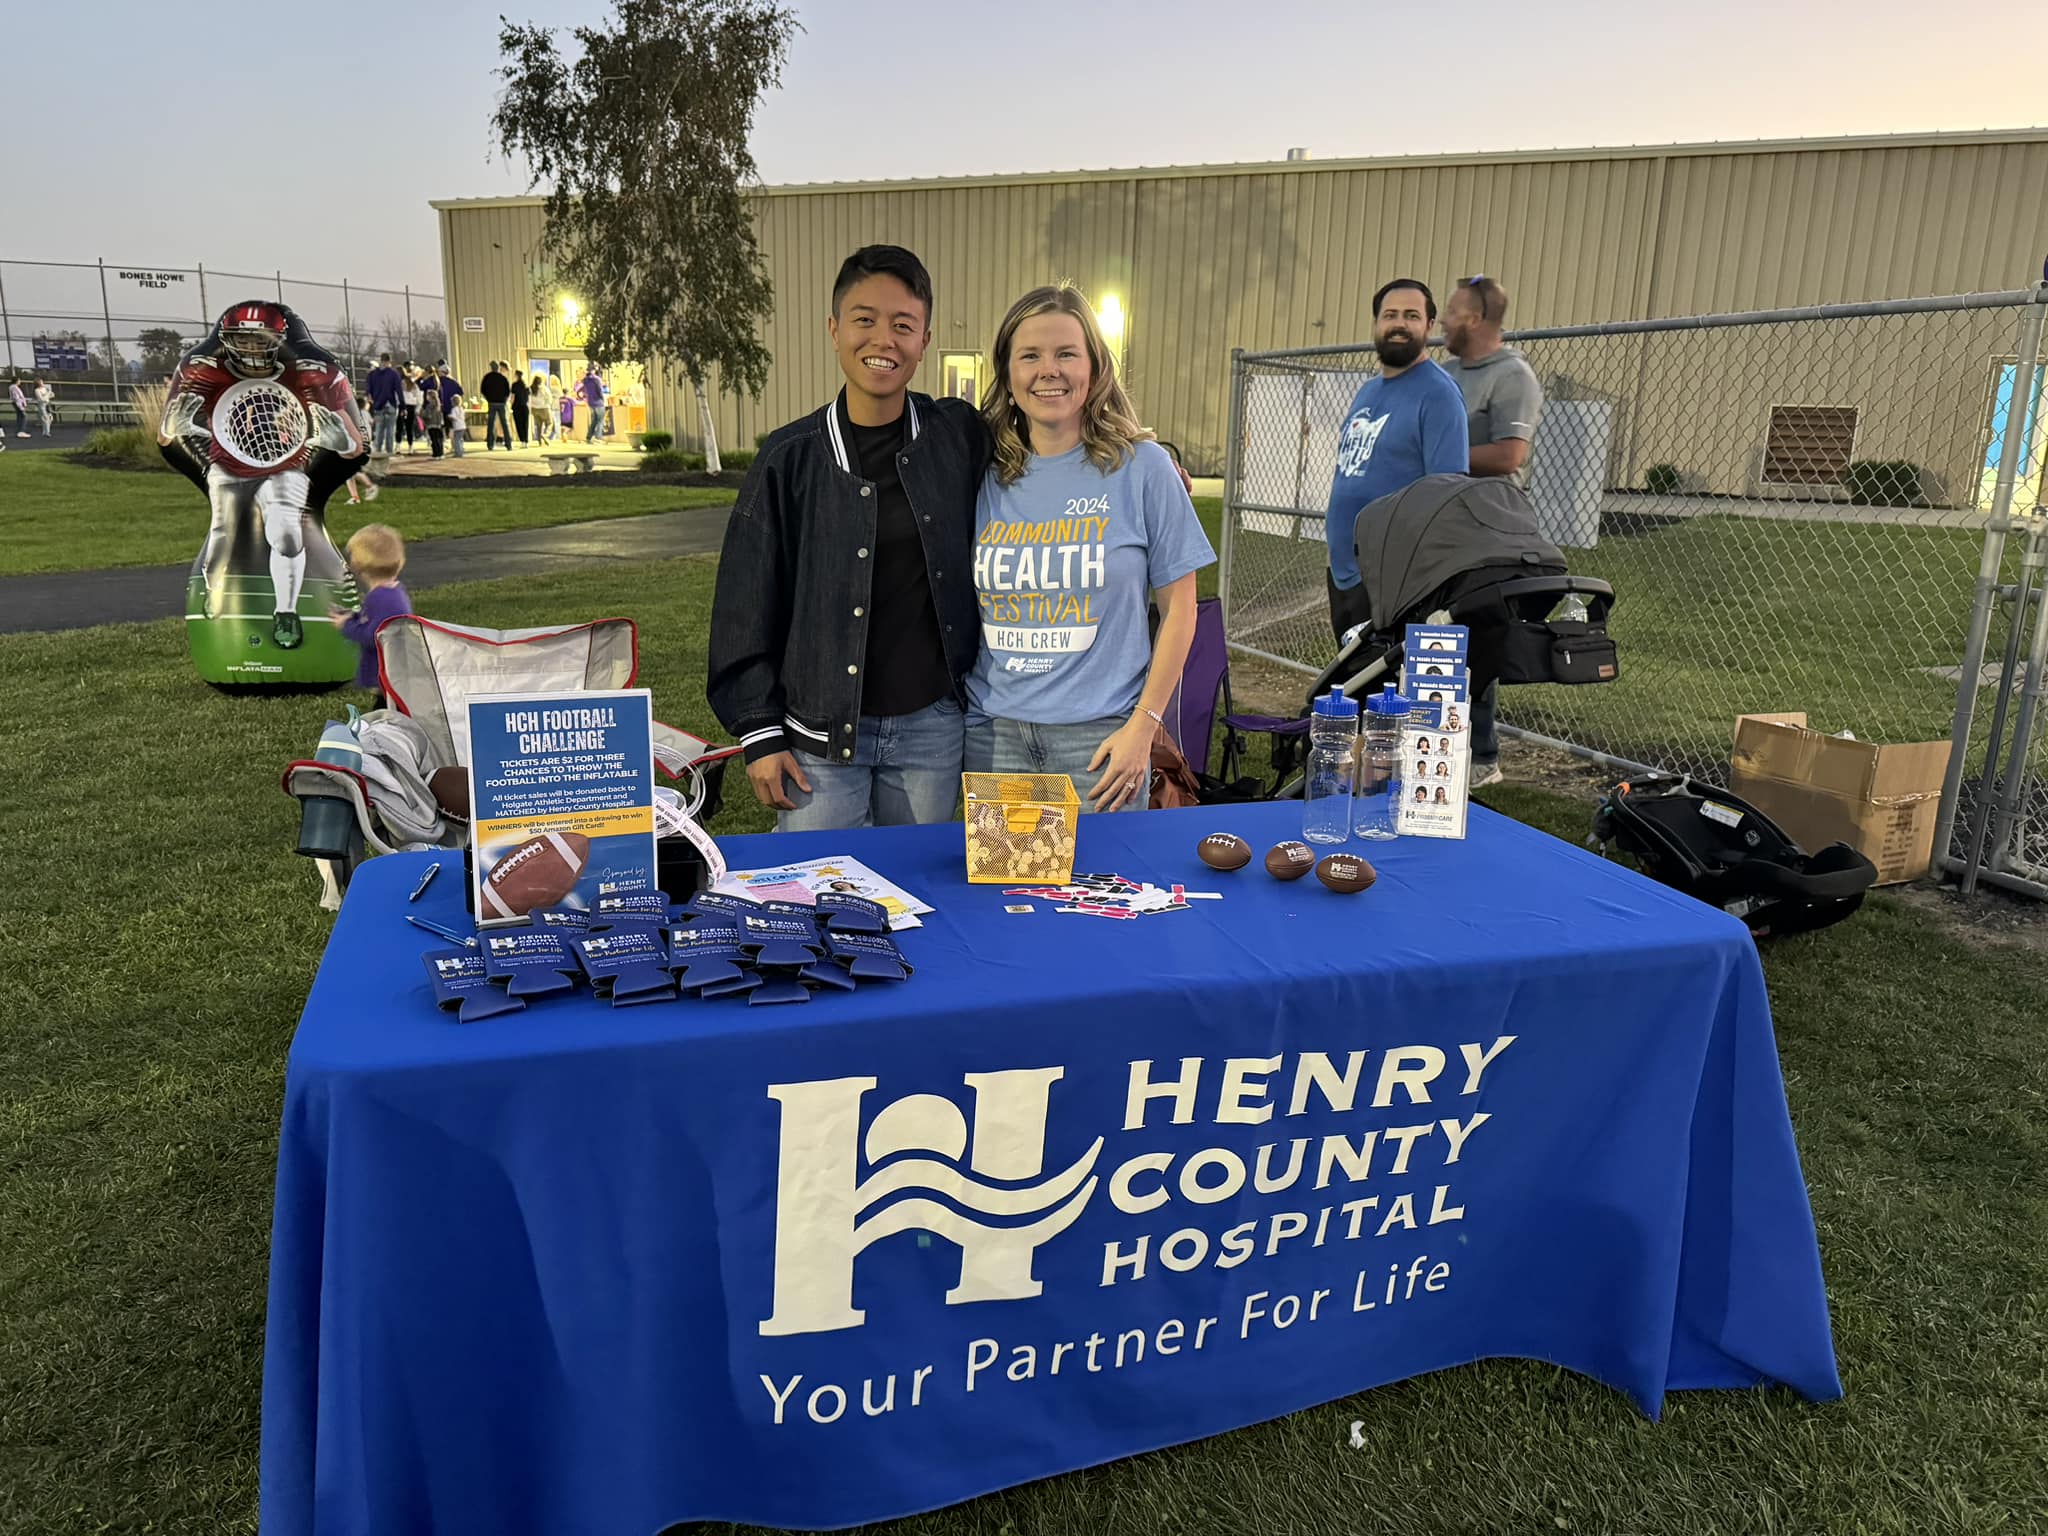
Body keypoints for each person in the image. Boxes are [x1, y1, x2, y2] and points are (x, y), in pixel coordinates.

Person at [708, 245, 986, 831]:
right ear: (834, 330)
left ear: (925, 341)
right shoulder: (789, 459)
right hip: (818, 738)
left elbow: (1044, 439)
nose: (884, 340)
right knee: (822, 885)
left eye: (903, 325)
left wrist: (1146, 459)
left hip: (930, 732)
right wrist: (759, 730)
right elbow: (743, 603)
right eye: (865, 320)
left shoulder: (955, 436)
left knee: (916, 884)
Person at [964, 283, 1214, 812]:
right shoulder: (980, 473)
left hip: (1102, 742)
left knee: (1105, 871)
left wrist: (1143, 727)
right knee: (1014, 871)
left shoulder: (1143, 469)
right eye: (1030, 355)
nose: (1048, 370)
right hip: (999, 737)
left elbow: (1181, 610)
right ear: (1007, 373)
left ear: (1095, 369)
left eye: (1066, 354)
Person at [1441, 274, 1546, 789]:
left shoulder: (1512, 376)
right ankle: (1435, 745)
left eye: (1451, 311)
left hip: (1487, 527)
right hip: (1441, 522)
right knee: (1435, 638)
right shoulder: (1445, 373)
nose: (1441, 320)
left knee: (1474, 640)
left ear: (1476, 318)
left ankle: (1481, 756)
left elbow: (1509, 455)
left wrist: (1437, 455)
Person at [1323, 278, 1468, 642]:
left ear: (1429, 326)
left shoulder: (1439, 395)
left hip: (1394, 582)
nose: (1399, 324)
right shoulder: (1368, 391)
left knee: (1382, 679)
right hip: (1346, 575)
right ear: (1376, 323)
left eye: (1411, 316)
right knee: (1348, 677)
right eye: (1390, 315)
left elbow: (1447, 497)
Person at [330, 523, 412, 709]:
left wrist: (346, 626)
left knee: (386, 715)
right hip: (395, 675)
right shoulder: (393, 592)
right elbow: (377, 620)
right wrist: (352, 616)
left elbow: (374, 635)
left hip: (388, 676)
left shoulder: (380, 597)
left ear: (359, 565)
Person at [364, 353, 404, 457]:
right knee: (390, 430)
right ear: (389, 361)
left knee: (379, 429)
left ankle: (378, 451)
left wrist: (372, 399)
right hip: (390, 403)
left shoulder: (372, 374)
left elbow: (368, 390)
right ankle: (389, 452)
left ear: (381, 360)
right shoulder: (394, 374)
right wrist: (403, 406)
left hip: (378, 404)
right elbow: (399, 391)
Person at [481, 361, 511, 449]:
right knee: (504, 423)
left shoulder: (487, 377)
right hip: (501, 403)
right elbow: (507, 391)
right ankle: (508, 444)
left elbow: (483, 390)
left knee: (491, 423)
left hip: (492, 403)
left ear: (491, 368)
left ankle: (490, 444)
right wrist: (504, 400)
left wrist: (488, 398)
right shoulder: (503, 378)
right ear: (498, 368)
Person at [418, 378, 445, 458]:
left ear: (430, 397)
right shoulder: (438, 405)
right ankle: (440, 453)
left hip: (431, 424)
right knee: (439, 439)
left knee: (434, 439)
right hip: (438, 424)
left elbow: (427, 415)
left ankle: (436, 453)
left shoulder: (429, 406)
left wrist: (421, 413)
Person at [579, 367, 607, 443]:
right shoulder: (597, 379)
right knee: (600, 420)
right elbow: (599, 390)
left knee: (594, 420)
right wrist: (602, 399)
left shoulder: (585, 380)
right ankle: (598, 437)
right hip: (598, 402)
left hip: (590, 402)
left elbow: (580, 391)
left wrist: (584, 397)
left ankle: (589, 437)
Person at [398, 367, 422, 454]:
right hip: (409, 406)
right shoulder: (413, 386)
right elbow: (419, 399)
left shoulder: (411, 386)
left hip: (405, 406)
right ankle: (408, 447)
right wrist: (418, 408)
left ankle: (400, 446)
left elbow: (419, 398)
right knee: (407, 427)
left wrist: (418, 408)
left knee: (401, 426)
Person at [510, 370, 530, 446]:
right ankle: (526, 440)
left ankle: (522, 440)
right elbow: (528, 398)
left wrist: (510, 405)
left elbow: (513, 397)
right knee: (525, 424)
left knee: (519, 424)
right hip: (525, 406)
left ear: (516, 376)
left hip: (516, 407)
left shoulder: (514, 385)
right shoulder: (526, 385)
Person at [447, 393, 468, 457]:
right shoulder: (461, 409)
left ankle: (458, 453)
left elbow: (454, 417)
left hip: (457, 426)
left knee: (456, 440)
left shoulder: (454, 409)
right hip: (463, 426)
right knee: (460, 439)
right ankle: (461, 451)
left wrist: (449, 416)